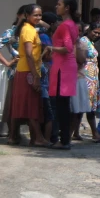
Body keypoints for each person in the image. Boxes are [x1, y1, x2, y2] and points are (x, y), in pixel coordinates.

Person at [10, 4, 47, 147]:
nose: (38, 18)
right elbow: (29, 55)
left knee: (25, 105)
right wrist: (35, 76)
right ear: (27, 15)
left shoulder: (29, 28)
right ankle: (37, 137)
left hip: (28, 70)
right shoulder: (27, 30)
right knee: (31, 107)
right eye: (35, 15)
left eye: (40, 15)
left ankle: (21, 137)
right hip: (27, 71)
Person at [48, 0, 81, 150]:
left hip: (63, 67)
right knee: (63, 105)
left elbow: (67, 48)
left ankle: (64, 139)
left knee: (61, 105)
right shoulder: (72, 25)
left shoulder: (65, 26)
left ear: (67, 7)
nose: (57, 6)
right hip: (68, 66)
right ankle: (64, 138)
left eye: (59, 4)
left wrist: (50, 48)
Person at [0, 5, 26, 142]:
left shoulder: (32, 31)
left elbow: (48, 27)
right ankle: (12, 134)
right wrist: (7, 62)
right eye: (26, 15)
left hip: (29, 71)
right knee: (13, 102)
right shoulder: (11, 32)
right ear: (19, 15)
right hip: (15, 71)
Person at [71, 23, 100, 142]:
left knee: (84, 105)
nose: (96, 35)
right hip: (85, 77)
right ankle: (94, 133)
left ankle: (75, 132)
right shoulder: (83, 41)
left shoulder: (91, 42)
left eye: (99, 33)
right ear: (89, 30)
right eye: (94, 32)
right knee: (88, 106)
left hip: (92, 77)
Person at [39, 12, 59, 144]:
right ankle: (48, 139)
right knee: (50, 112)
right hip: (46, 79)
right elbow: (47, 55)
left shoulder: (45, 36)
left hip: (49, 78)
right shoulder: (44, 37)